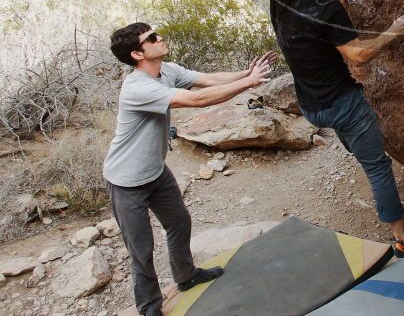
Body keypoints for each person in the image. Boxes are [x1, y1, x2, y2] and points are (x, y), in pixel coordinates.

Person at [255, 0, 404, 259]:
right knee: (378, 167)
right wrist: (395, 30)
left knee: (356, 142)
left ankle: (355, 145)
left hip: (313, 106)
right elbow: (358, 55)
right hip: (342, 104)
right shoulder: (323, 6)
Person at [105, 23, 277, 316]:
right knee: (141, 250)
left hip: (156, 172)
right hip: (125, 180)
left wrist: (246, 74)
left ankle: (186, 276)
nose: (160, 39)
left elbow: (207, 80)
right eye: (152, 38)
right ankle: (149, 307)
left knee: (180, 222)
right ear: (137, 53)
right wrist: (248, 84)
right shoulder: (137, 87)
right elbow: (197, 100)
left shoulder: (166, 70)